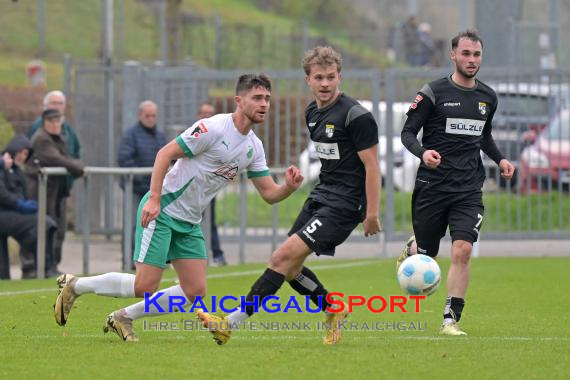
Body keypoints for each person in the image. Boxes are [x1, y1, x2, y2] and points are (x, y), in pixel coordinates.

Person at [53, 74, 304, 342]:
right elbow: (165, 154)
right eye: (257, 98)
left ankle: (123, 317)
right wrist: (154, 199)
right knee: (145, 286)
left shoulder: (254, 147)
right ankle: (76, 285)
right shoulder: (213, 128)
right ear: (239, 101)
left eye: (267, 98)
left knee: (194, 291)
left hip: (189, 222)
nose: (264, 104)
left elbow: (268, 193)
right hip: (164, 212)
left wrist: (288, 186)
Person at [197, 46, 382, 346]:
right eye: (318, 77)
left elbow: (372, 166)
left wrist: (371, 213)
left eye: (331, 77)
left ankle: (230, 323)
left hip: (345, 204)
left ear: (340, 77)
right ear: (308, 80)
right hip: (322, 195)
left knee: (281, 257)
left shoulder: (356, 116)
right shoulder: (312, 112)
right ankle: (334, 309)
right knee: (291, 266)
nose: (325, 83)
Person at [396, 30, 515, 336]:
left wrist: (500, 159)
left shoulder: (488, 97)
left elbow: (483, 136)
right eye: (465, 54)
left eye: (476, 54)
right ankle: (415, 247)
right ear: (453, 55)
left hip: (468, 188)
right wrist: (423, 153)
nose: (471, 60)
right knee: (428, 253)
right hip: (432, 186)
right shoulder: (433, 93)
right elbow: (407, 133)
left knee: (462, 250)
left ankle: (450, 320)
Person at [25, 90, 81, 270]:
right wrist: (77, 168)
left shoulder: (66, 133)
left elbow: (70, 154)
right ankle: (34, 266)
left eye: (60, 105)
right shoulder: (40, 134)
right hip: (41, 189)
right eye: (53, 104)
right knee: (41, 227)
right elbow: (56, 158)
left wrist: (73, 167)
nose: (56, 123)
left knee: (57, 229)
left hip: (59, 189)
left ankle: (51, 265)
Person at [0, 135, 59, 278]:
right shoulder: (3, 167)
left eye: (26, 154)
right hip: (5, 213)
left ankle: (49, 266)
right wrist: (19, 204)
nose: (23, 156)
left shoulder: (18, 171)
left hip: (12, 213)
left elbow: (22, 194)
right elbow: (2, 194)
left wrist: (26, 204)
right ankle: (42, 267)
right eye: (22, 152)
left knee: (48, 223)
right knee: (40, 223)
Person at [118, 100, 166, 259]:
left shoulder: (160, 136)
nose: (151, 119)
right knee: (134, 224)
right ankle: (129, 258)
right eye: (147, 115)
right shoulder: (130, 135)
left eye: (153, 116)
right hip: (136, 189)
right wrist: (143, 179)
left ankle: (151, 259)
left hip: (154, 190)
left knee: (156, 225)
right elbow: (124, 159)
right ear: (140, 115)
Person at [195, 102, 227, 267]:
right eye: (204, 113)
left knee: (210, 222)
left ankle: (217, 255)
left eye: (211, 113)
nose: (208, 117)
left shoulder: (221, 137)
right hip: (190, 189)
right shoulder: (192, 134)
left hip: (208, 189)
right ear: (198, 115)